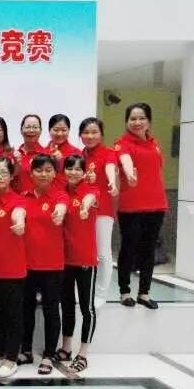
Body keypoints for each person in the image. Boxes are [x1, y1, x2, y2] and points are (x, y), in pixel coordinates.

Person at [19, 154, 69, 375]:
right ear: (31, 174)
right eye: (38, 170)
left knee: (51, 310)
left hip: (52, 265)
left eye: (48, 170)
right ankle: (26, 350)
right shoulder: (24, 197)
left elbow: (63, 207)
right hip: (26, 265)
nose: (43, 174)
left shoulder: (60, 196)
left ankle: (48, 355)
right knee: (26, 309)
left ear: (55, 173)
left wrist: (60, 212)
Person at [115, 103, 168, 309]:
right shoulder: (122, 143)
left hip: (156, 204)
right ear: (126, 121)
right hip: (131, 206)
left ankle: (144, 293)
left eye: (142, 118)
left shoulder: (154, 144)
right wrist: (130, 174)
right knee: (128, 248)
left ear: (149, 121)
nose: (137, 122)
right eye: (133, 119)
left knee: (149, 249)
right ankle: (124, 291)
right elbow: (126, 161)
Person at [0, 156, 27, 379]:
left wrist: (19, 223)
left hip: (12, 268)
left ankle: (12, 358)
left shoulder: (18, 201)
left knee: (13, 314)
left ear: (11, 176)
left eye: (4, 173)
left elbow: (19, 214)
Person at [58, 154, 99, 373]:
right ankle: (66, 347)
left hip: (85, 259)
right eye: (69, 168)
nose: (73, 172)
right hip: (63, 259)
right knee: (66, 305)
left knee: (87, 307)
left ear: (84, 173)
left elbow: (90, 199)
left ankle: (83, 353)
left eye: (77, 169)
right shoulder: (61, 191)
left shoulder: (91, 190)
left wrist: (84, 206)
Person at [79, 117, 120, 304]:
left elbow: (110, 167)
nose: (90, 136)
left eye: (94, 132)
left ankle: (101, 293)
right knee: (84, 252)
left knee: (102, 253)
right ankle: (83, 290)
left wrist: (111, 181)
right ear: (80, 135)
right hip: (82, 210)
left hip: (102, 209)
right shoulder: (80, 155)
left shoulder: (108, 153)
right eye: (86, 132)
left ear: (101, 134)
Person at [13, 114, 49, 193]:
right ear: (21, 130)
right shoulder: (14, 156)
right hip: (18, 199)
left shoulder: (47, 155)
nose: (31, 130)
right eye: (28, 127)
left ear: (40, 131)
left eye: (35, 127)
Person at [46, 114, 81, 188]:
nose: (59, 133)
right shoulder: (42, 152)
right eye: (56, 130)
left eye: (64, 130)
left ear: (68, 130)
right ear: (49, 130)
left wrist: (62, 161)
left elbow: (79, 179)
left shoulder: (77, 153)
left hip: (68, 193)